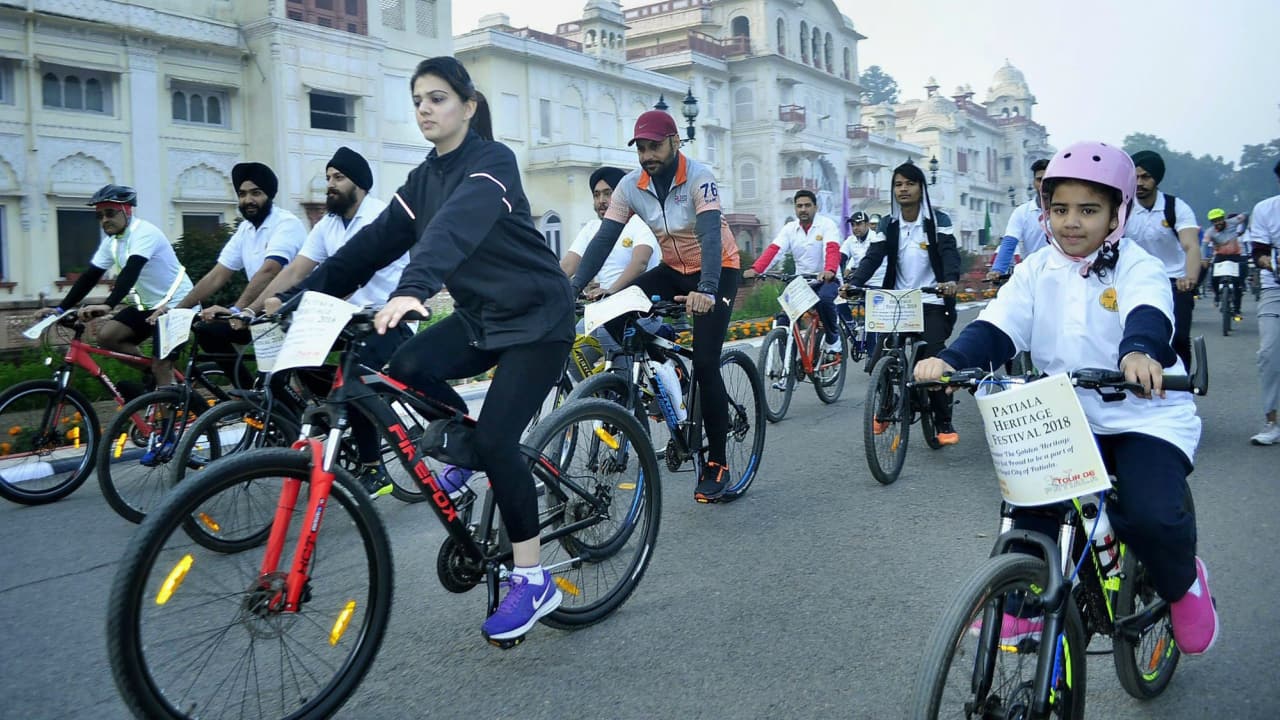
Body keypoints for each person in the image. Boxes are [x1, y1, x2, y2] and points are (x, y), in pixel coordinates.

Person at [267, 57, 573, 644]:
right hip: (482, 318)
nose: (426, 110)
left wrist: (413, 291)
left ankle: (533, 579)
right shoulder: (421, 180)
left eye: (438, 98)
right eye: (418, 101)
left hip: (538, 319)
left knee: (495, 439)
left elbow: (452, 231)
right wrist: (297, 297)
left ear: (468, 105)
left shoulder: (492, 163)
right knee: (402, 364)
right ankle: (474, 448)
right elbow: (371, 246)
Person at [915, 141, 1218, 655]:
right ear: (1045, 211)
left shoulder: (1136, 265)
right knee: (1029, 503)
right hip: (1067, 413)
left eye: (1088, 210)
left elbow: (1149, 311)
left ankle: (1184, 583)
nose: (1071, 223)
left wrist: (1141, 352)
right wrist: (950, 359)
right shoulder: (1037, 269)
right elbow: (1000, 325)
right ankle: (1021, 605)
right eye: (1059, 209)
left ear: (1116, 213)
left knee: (1151, 516)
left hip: (1144, 413)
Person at [570, 109, 741, 503]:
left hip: (719, 271)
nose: (648, 155)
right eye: (641, 148)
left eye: (655, 146)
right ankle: (664, 367)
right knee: (613, 313)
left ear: (676, 142)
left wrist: (709, 289)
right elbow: (603, 240)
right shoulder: (630, 186)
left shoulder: (699, 177)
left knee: (706, 362)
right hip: (673, 269)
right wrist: (574, 286)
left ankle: (717, 462)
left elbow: (711, 236)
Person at [251, 146, 409, 497]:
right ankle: (317, 433)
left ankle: (374, 468)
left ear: (361, 184)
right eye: (328, 179)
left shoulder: (380, 219)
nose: (330, 185)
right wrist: (258, 308)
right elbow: (296, 268)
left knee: (352, 379)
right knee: (283, 366)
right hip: (340, 320)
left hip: (385, 319)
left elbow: (351, 279)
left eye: (338, 178)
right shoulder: (329, 223)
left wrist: (297, 302)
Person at [151, 162, 306, 386]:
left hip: (288, 314)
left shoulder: (286, 224)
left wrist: (238, 310)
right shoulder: (246, 230)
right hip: (258, 314)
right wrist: (177, 310)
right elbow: (218, 275)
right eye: (242, 194)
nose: (248, 200)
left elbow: (270, 270)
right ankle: (245, 393)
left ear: (269, 195)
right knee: (207, 331)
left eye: (256, 193)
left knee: (275, 387)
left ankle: (271, 403)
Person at [846, 161, 961, 445]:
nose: (903, 189)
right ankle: (885, 407)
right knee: (881, 354)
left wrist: (950, 281)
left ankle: (943, 420)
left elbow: (948, 253)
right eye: (898, 184)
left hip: (931, 299)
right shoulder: (888, 223)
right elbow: (874, 256)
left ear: (921, 188)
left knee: (933, 358)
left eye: (909, 183)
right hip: (897, 301)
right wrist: (855, 282)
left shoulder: (938, 221)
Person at [47, 185, 193, 389]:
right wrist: (60, 309)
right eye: (99, 216)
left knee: (162, 364)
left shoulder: (144, 233)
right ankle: (160, 379)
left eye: (110, 213)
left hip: (178, 303)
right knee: (108, 337)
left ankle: (166, 415)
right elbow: (90, 276)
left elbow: (131, 270)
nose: (104, 220)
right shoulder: (113, 243)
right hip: (149, 306)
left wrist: (109, 304)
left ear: (127, 210)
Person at [1124, 150, 1201, 370]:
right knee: (1133, 338)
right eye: (1135, 177)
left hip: (1174, 281)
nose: (1139, 183)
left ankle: (1183, 384)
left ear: (1157, 179)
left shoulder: (1176, 207)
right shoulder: (1123, 209)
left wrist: (1190, 277)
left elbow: (1191, 245)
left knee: (1177, 338)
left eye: (1146, 177)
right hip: (1134, 280)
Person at [743, 190, 842, 354]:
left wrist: (829, 270)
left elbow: (832, 249)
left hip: (827, 280)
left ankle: (833, 340)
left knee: (824, 301)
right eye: (799, 206)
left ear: (815, 207)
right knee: (783, 319)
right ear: (795, 209)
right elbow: (775, 250)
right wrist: (756, 269)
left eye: (807, 205)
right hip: (803, 283)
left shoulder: (827, 225)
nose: (803, 209)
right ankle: (789, 370)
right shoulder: (789, 229)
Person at [560, 166, 659, 300]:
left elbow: (640, 263)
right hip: (604, 305)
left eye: (608, 193)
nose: (601, 200)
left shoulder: (640, 223)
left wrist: (611, 291)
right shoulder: (591, 228)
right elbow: (567, 266)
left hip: (638, 306)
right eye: (596, 195)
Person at [1245, 160, 1280, 446]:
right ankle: (1272, 421)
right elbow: (1259, 252)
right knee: (1269, 354)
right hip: (1274, 287)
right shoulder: (1266, 209)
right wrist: (1270, 263)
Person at [988, 158, 1051, 279]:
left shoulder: (1068, 211)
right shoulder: (1022, 212)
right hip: (1034, 274)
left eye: (1048, 180)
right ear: (1033, 183)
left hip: (1064, 272)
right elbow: (1009, 242)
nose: (1044, 184)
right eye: (1039, 180)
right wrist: (998, 269)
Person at [1203, 207, 1247, 318]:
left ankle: (1237, 309)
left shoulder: (1233, 222)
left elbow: (1246, 214)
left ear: (1223, 218)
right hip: (1220, 256)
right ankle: (1217, 295)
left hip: (1235, 256)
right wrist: (1204, 258)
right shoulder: (1210, 232)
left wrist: (1243, 230)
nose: (1217, 223)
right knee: (1213, 277)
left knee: (1238, 283)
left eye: (1219, 220)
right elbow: (1204, 246)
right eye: (1214, 221)